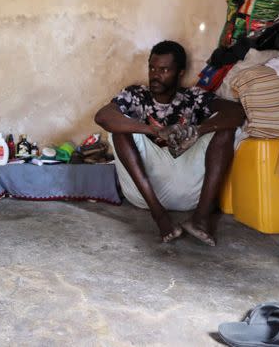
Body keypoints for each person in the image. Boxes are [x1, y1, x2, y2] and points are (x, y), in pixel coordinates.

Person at [94, 40, 245, 246]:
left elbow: (237, 112)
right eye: (152, 68)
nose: (155, 75)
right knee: (120, 131)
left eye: (164, 69)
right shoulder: (136, 95)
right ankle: (160, 216)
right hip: (144, 193)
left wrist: (197, 131)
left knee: (226, 130)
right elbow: (103, 116)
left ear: (180, 72)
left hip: (189, 190)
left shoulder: (193, 97)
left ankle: (200, 219)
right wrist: (154, 130)